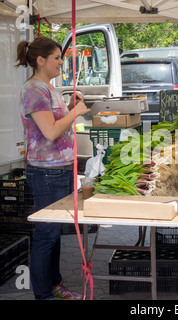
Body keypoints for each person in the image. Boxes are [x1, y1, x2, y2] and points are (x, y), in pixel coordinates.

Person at [16, 36, 91, 300]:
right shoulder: (34, 90)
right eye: (57, 57)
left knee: (54, 234)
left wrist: (69, 108)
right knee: (46, 235)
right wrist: (76, 112)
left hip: (60, 169)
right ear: (41, 60)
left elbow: (55, 123)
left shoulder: (48, 87)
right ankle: (44, 295)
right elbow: (49, 132)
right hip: (47, 173)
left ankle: (55, 286)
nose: (62, 62)